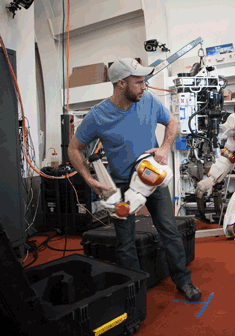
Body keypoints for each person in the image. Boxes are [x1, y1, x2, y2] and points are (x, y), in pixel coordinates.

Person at [68, 58, 201, 302]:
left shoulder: (149, 101)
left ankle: (183, 280)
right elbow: (74, 148)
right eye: (139, 82)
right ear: (121, 83)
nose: (145, 86)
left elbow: (172, 121)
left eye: (145, 81)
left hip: (151, 179)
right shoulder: (98, 116)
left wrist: (164, 147)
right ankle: (136, 289)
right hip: (120, 186)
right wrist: (88, 179)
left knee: (169, 231)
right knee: (125, 241)